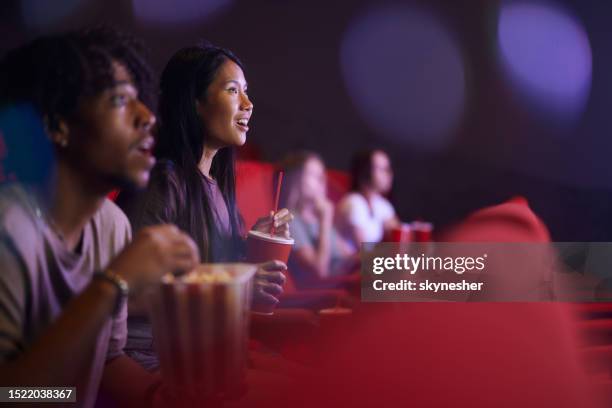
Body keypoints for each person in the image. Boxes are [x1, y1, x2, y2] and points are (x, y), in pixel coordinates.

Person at [0, 28, 200, 407]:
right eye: (121, 100)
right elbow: (11, 393)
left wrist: (164, 397)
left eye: (142, 101)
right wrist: (113, 283)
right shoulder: (9, 228)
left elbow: (107, 362)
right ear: (56, 124)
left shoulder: (111, 224)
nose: (148, 117)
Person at [117, 43, 292, 370]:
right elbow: (122, 297)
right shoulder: (163, 183)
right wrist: (233, 290)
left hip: (205, 353)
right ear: (195, 103)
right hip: (150, 360)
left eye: (247, 92)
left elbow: (215, 277)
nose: (248, 104)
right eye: (232, 90)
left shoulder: (217, 187)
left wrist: (253, 248)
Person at [279, 151, 356, 285]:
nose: (322, 180)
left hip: (348, 280)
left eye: (322, 175)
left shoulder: (317, 218)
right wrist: (325, 220)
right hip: (331, 292)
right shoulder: (291, 220)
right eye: (314, 175)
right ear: (296, 180)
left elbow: (347, 257)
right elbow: (320, 272)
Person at [336, 149, 400, 248]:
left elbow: (398, 234)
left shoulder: (380, 203)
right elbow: (364, 249)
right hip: (347, 262)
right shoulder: (354, 202)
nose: (389, 174)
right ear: (365, 172)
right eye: (383, 169)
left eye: (388, 169)